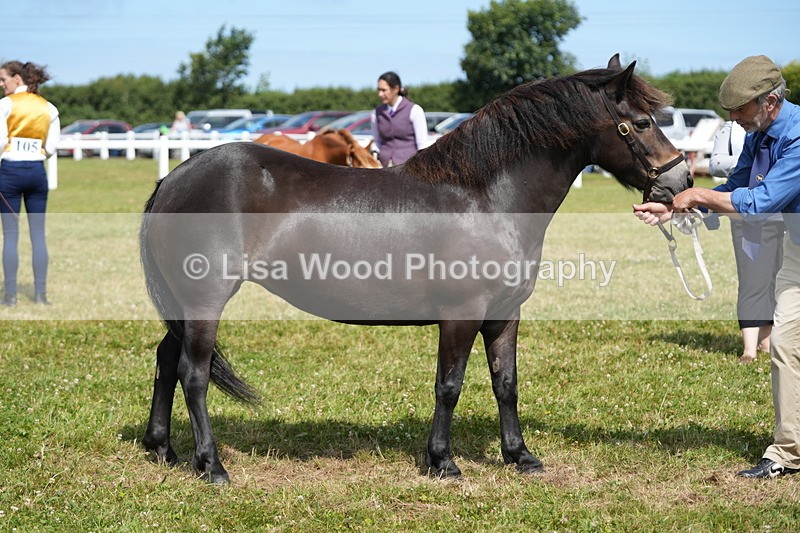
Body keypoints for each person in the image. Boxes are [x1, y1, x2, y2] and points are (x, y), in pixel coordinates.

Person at [634, 55, 800, 479]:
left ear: (769, 102)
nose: (732, 119)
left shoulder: (798, 136)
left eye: (739, 110)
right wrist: (674, 208)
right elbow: (737, 186)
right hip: (797, 253)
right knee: (784, 345)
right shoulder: (758, 134)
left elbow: (761, 203)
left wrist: (698, 196)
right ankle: (787, 454)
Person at [709, 120, 784, 363]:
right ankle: (749, 349)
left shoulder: (787, 133)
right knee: (753, 280)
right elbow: (719, 167)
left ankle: (766, 341)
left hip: (782, 218)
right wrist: (702, 202)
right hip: (747, 216)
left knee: (776, 282)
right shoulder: (736, 132)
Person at [0, 60, 60, 307]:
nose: (1, 84)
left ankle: (10, 296)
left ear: (17, 79)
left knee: (10, 235)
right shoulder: (49, 107)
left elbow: (0, 142)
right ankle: (40, 295)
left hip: (10, 172)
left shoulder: (5, 105)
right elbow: (51, 148)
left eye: (3, 79)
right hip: (36, 172)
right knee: (38, 235)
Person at [370, 71, 427, 167]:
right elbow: (377, 141)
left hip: (409, 167)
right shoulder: (376, 113)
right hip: (384, 167)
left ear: (396, 89)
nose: (380, 94)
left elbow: (422, 145)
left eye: (384, 90)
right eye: (378, 90)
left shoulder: (415, 110)